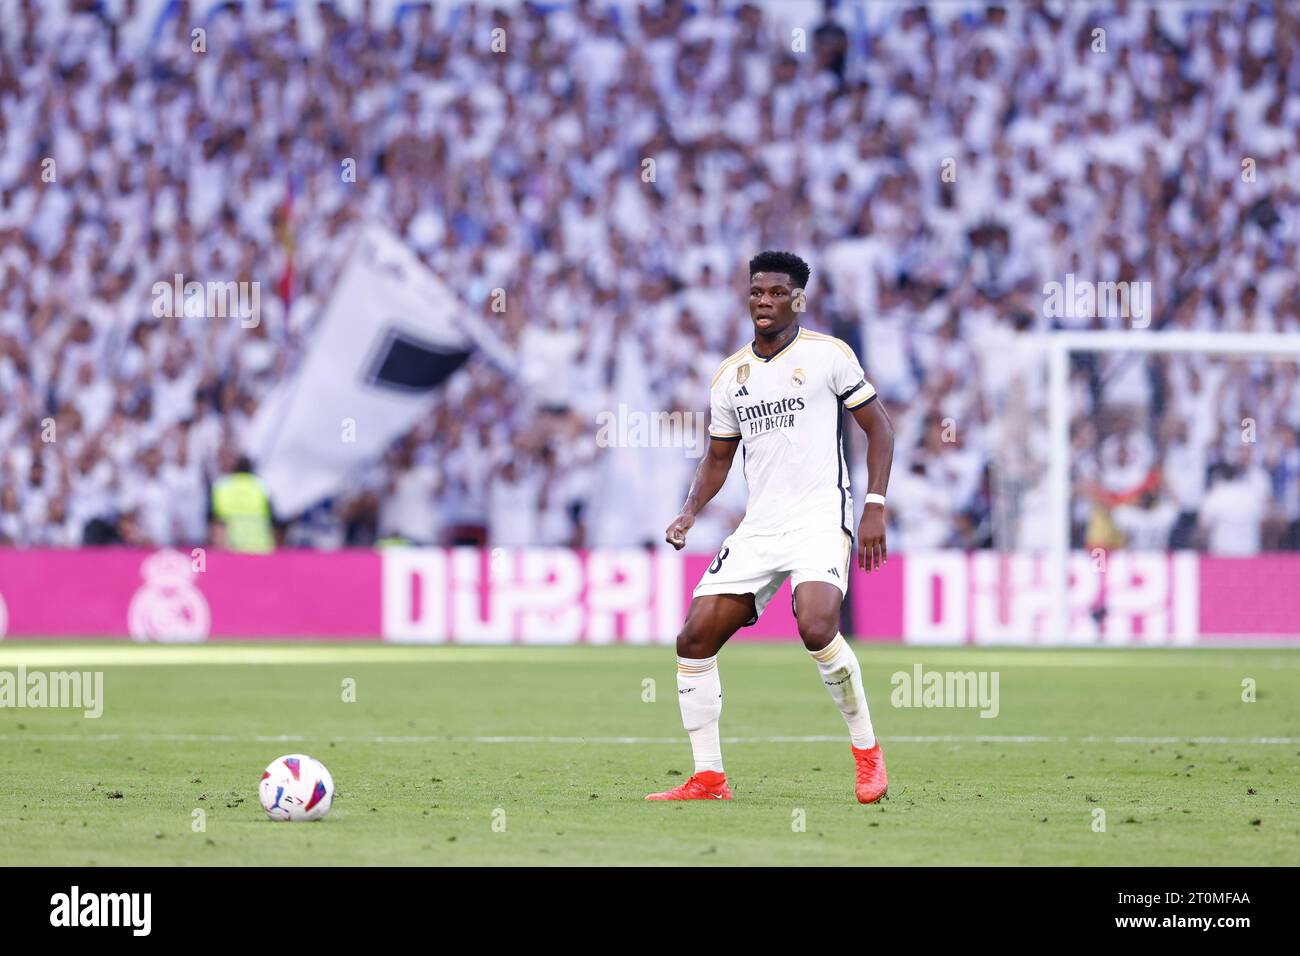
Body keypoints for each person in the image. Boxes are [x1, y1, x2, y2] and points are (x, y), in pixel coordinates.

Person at [649, 251, 895, 804]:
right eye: (757, 292)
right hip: (759, 528)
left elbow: (879, 429)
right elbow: (717, 458)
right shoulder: (730, 376)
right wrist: (690, 511)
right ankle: (709, 777)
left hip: (819, 519)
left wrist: (874, 505)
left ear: (799, 299)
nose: (765, 301)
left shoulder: (829, 356)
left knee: (815, 626)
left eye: (778, 293)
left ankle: (867, 754)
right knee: (694, 637)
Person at [209, 456, 276, 553]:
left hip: (232, 547)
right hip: (260, 546)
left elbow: (217, 522)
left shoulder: (222, 487)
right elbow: (273, 521)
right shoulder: (262, 486)